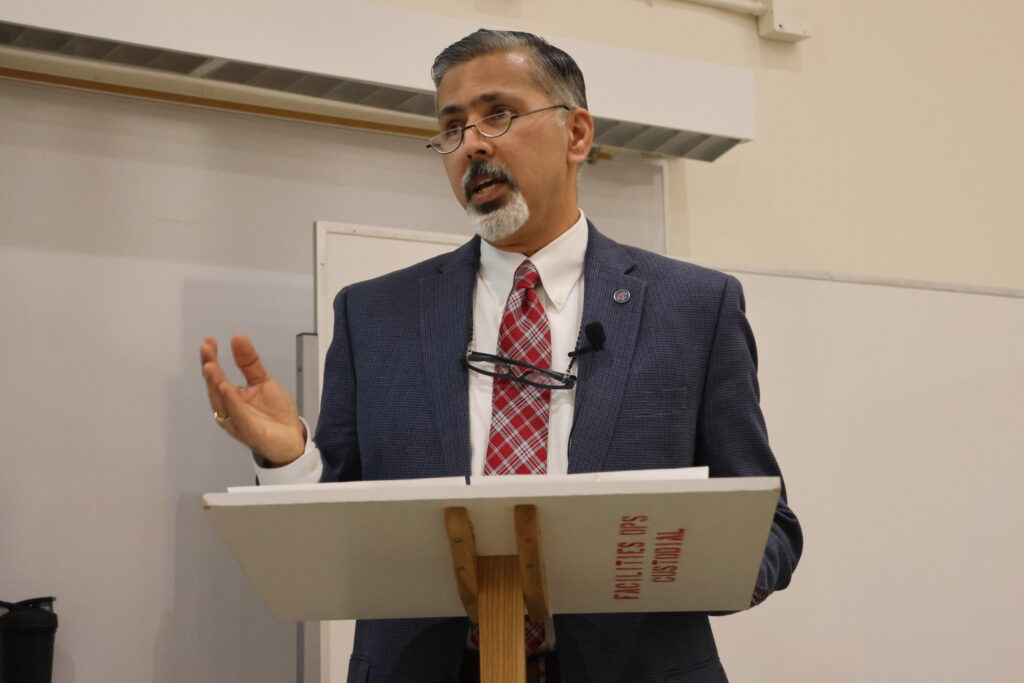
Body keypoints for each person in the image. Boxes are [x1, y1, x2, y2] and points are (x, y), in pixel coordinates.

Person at [200, 29, 801, 683]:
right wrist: (287, 456)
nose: (472, 144)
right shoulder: (375, 316)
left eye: (498, 114)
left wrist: (690, 566)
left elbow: (770, 527)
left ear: (577, 135)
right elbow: (337, 540)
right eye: (451, 127)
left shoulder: (693, 308)